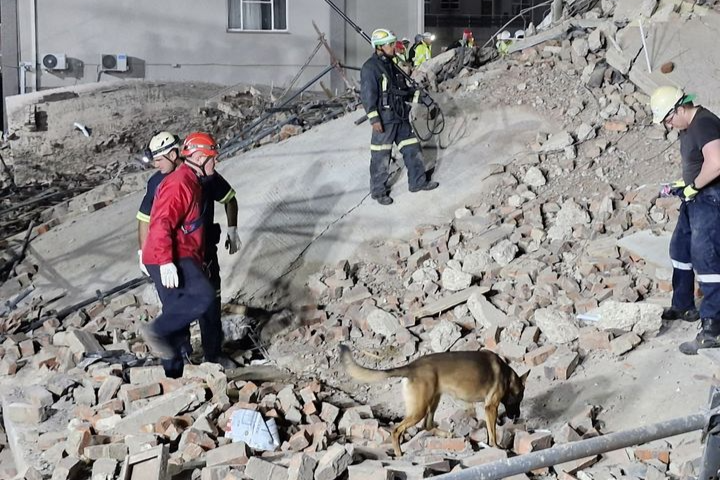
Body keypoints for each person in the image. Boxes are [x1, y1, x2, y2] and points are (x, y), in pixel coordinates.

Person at [137, 132, 241, 369]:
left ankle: (180, 370)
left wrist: (232, 231)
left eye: (159, 159)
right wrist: (157, 259)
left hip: (193, 254)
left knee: (201, 302)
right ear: (199, 157)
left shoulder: (199, 179)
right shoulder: (179, 183)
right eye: (212, 158)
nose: (216, 162)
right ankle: (161, 338)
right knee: (194, 301)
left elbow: (229, 199)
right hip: (172, 255)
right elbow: (157, 222)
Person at [650, 86, 720, 355]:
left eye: (669, 119)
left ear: (680, 108)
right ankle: (683, 305)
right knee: (680, 250)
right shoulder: (688, 128)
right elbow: (700, 162)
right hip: (697, 195)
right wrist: (685, 184)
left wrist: (695, 186)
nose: (669, 125)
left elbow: (716, 162)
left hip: (711, 198)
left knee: (707, 259)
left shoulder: (704, 123)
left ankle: (713, 327)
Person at [360, 28, 439, 206]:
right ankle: (378, 191)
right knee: (381, 156)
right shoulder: (370, 68)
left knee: (412, 149)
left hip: (401, 117)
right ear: (380, 47)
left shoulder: (393, 65)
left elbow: (402, 91)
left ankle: (417, 182)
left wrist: (422, 98)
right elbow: (367, 96)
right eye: (390, 44)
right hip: (385, 120)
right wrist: (374, 119)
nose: (393, 47)